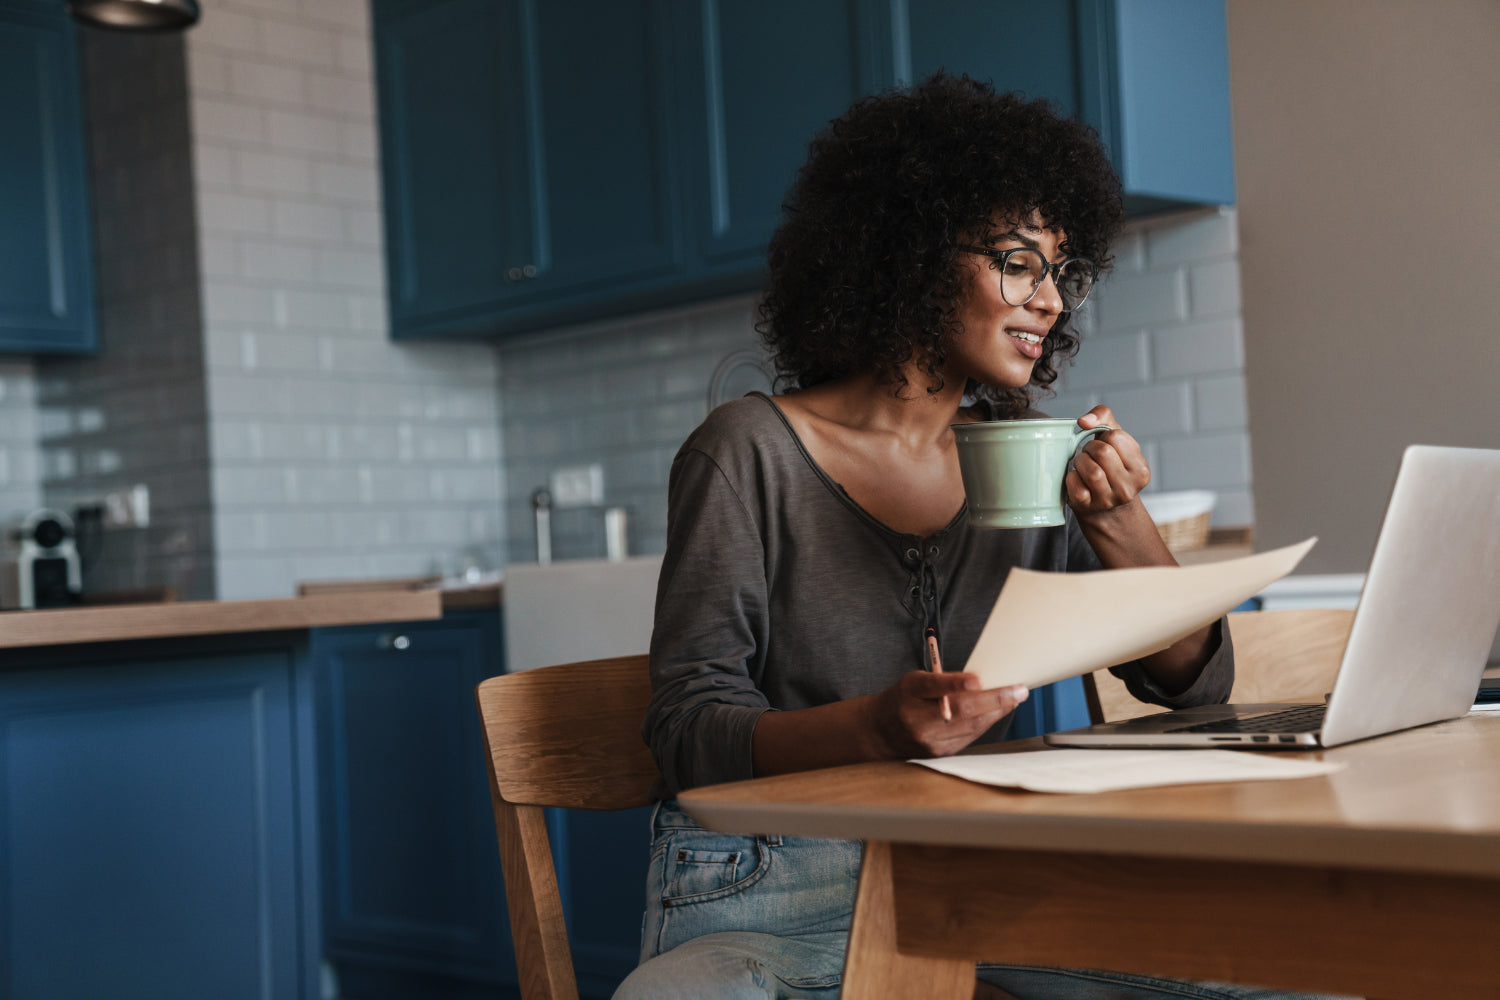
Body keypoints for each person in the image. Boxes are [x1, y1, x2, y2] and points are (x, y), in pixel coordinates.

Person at [613, 73, 1347, 1000]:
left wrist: (1119, 524)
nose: (1051, 300)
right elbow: (687, 732)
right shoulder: (746, 451)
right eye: (1017, 262)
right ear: (910, 254)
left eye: (1062, 272)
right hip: (770, 888)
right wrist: (879, 726)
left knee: (1299, 975)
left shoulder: (1029, 452)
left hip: (985, 876)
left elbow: (1192, 683)